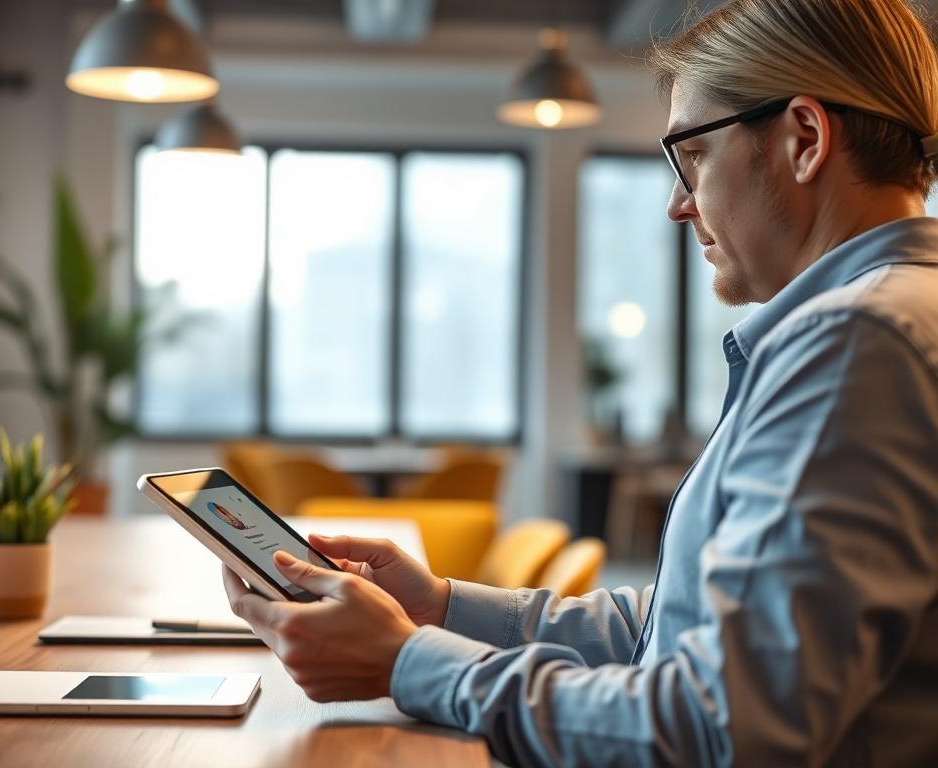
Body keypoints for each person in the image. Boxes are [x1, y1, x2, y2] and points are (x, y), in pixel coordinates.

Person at [222, 1, 938, 764]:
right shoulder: (880, 327)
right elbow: (678, 627)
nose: (677, 203)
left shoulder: (854, 346)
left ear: (803, 139)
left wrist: (407, 662)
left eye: (691, 156)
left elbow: (721, 728)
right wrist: (436, 608)